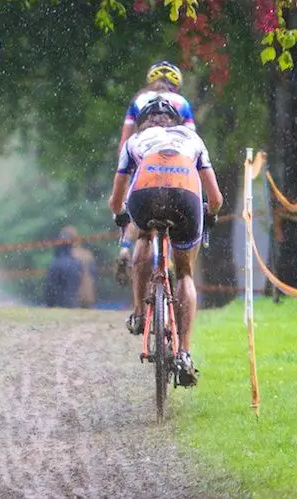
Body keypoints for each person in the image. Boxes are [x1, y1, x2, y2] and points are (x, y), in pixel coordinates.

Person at [108, 96, 223, 386]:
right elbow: (217, 198)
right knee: (185, 273)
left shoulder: (134, 142)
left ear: (144, 120)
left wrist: (121, 215)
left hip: (146, 197)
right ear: (175, 120)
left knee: (143, 234)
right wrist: (210, 215)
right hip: (186, 199)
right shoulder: (192, 138)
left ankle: (137, 312)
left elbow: (116, 199)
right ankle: (184, 352)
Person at [115, 61, 197, 284]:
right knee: (177, 212)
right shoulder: (182, 103)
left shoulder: (138, 101)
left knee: (136, 213)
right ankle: (168, 259)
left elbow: (125, 142)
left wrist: (124, 170)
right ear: (175, 85)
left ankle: (125, 247)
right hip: (178, 166)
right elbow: (192, 143)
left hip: (145, 162)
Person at [43, 227, 91, 308]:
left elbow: (49, 290)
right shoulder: (77, 262)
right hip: (74, 304)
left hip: (61, 305)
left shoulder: (56, 263)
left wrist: (49, 305)